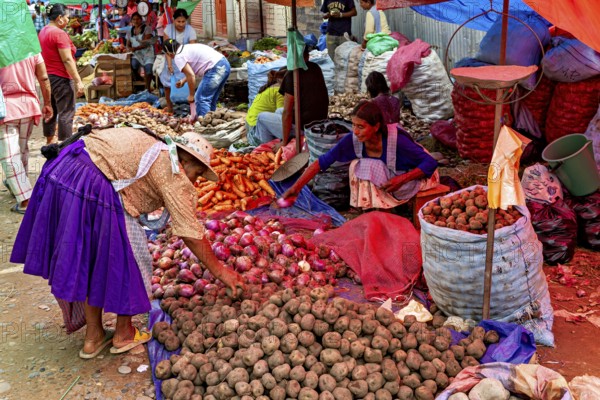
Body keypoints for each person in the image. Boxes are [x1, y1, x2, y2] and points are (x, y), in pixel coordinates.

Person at [11, 127, 247, 358]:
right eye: (197, 173)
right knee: (132, 258)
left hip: (66, 170)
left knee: (91, 257)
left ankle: (93, 338)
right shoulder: (172, 169)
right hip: (90, 180)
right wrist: (222, 272)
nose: (195, 181)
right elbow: (190, 231)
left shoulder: (158, 148)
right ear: (185, 161)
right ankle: (123, 333)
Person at [281, 100, 439, 210]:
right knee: (357, 167)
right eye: (354, 126)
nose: (355, 132)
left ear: (376, 126)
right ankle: (377, 210)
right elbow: (322, 162)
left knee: (369, 165)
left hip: (419, 177)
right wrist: (296, 189)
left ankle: (386, 208)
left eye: (361, 127)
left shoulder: (397, 142)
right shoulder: (353, 139)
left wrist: (401, 179)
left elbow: (430, 163)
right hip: (392, 180)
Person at [0, 55, 52, 214]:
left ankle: (25, 200)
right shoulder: (31, 48)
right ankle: (16, 184)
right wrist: (48, 103)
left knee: (9, 156)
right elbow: (43, 77)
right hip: (28, 106)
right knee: (20, 150)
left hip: (6, 108)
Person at [255, 45, 328, 146]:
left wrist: (284, 142)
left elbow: (287, 113)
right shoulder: (315, 68)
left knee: (261, 117)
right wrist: (281, 74)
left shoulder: (292, 76)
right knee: (278, 111)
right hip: (319, 123)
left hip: (304, 129)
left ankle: (267, 151)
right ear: (307, 56)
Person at [39, 3, 84, 144]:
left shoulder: (43, 31)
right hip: (61, 78)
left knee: (50, 109)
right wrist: (78, 81)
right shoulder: (59, 33)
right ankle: (65, 147)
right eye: (67, 17)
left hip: (48, 78)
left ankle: (49, 141)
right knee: (66, 112)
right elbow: (67, 60)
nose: (68, 20)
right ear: (59, 18)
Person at [163, 40, 231, 118]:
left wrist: (191, 95)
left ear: (169, 53)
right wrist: (183, 81)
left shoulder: (178, 56)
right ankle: (211, 121)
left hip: (215, 68)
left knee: (201, 99)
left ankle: (205, 125)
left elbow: (191, 75)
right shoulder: (186, 48)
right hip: (224, 64)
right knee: (210, 99)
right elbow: (193, 70)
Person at [160, 8, 197, 112]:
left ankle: (190, 107)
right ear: (173, 20)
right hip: (170, 59)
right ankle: (170, 108)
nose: (181, 24)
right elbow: (167, 49)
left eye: (183, 21)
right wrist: (169, 65)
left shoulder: (190, 30)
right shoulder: (168, 29)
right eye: (178, 21)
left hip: (185, 61)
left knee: (188, 81)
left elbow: (192, 49)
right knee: (167, 85)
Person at [245, 68, 287, 146]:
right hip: (256, 129)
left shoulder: (271, 86)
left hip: (249, 124)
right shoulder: (279, 92)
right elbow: (284, 116)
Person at [127, 12, 156, 92]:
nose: (136, 21)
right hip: (137, 54)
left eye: (138, 19)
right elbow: (128, 44)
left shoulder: (147, 28)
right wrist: (129, 48)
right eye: (134, 19)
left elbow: (146, 43)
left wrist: (135, 48)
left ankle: (147, 88)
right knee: (134, 65)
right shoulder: (130, 31)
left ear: (141, 20)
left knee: (149, 70)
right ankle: (139, 82)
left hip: (147, 53)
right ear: (131, 20)